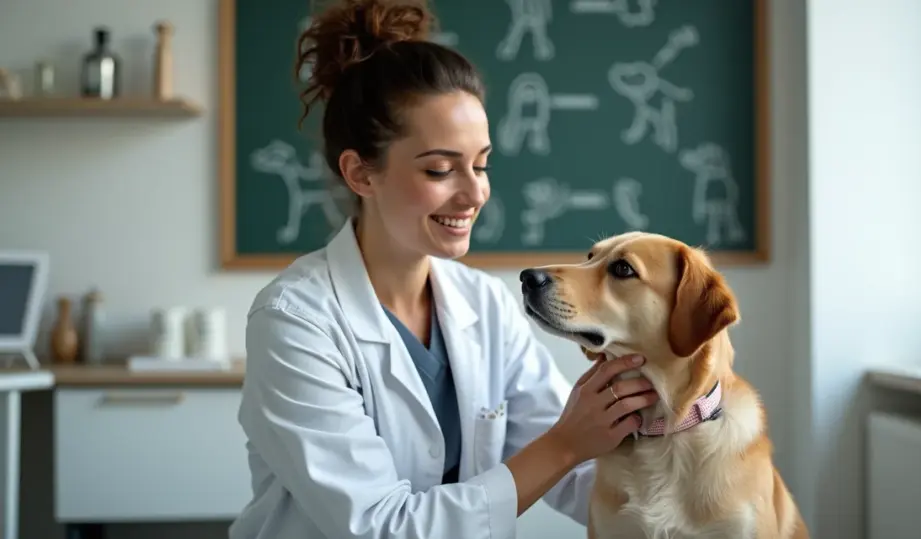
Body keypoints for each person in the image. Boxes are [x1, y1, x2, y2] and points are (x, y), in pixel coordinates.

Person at [228, 1, 659, 538]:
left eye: (481, 164)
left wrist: (705, 479)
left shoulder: (485, 304)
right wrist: (569, 441)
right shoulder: (295, 320)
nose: (475, 192)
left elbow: (578, 479)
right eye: (440, 169)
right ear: (361, 173)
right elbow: (383, 527)